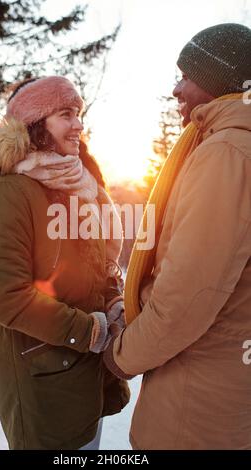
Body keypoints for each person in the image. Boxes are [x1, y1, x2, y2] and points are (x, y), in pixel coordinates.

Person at [0, 76, 130, 450]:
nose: (79, 124)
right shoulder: (9, 195)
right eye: (66, 114)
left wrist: (112, 299)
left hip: (86, 374)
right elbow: (8, 298)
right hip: (43, 378)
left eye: (78, 113)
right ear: (35, 123)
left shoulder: (79, 186)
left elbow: (99, 263)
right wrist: (90, 331)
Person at [104, 23, 251, 449]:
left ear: (217, 80)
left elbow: (190, 291)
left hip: (196, 400)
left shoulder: (226, 153)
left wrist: (124, 353)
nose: (176, 89)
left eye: (185, 76)